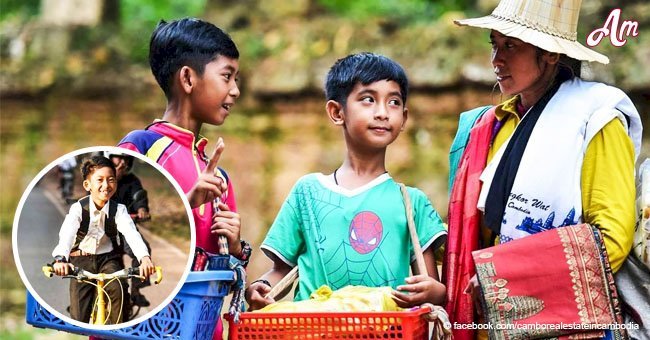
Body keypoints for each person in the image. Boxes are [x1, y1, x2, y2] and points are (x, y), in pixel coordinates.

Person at [443, 0, 642, 339]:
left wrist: (506, 276)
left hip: (563, 325)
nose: (496, 60)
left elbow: (610, 240)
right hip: (491, 322)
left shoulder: (596, 121)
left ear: (550, 54)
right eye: (494, 44)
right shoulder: (493, 126)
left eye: (511, 45)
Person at [246, 52, 447, 311]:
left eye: (394, 102)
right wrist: (260, 288)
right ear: (336, 112)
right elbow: (280, 271)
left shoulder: (411, 202)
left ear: (404, 119)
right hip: (312, 332)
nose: (383, 113)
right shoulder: (306, 193)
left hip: (389, 331)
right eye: (368, 100)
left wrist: (436, 292)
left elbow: (431, 285)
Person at [117, 18, 250, 338]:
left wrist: (234, 247)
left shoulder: (218, 176)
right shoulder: (142, 149)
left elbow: (223, 270)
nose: (235, 90)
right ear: (188, 78)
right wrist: (185, 204)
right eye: (227, 76)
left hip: (199, 329)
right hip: (141, 325)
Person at [51, 155, 156, 324]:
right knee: (79, 318)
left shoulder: (119, 210)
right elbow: (66, 235)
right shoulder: (78, 209)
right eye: (100, 180)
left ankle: (116, 332)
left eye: (111, 180)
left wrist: (144, 258)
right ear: (87, 185)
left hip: (108, 259)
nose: (106, 185)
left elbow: (131, 233)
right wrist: (60, 259)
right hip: (80, 260)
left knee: (119, 289)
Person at [107, 152, 152, 308]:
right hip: (102, 229)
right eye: (118, 158)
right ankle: (82, 295)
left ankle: (136, 290)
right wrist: (114, 178)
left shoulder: (132, 180)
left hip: (126, 228)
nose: (122, 162)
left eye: (126, 159)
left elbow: (138, 195)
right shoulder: (100, 176)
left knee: (143, 250)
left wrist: (142, 209)